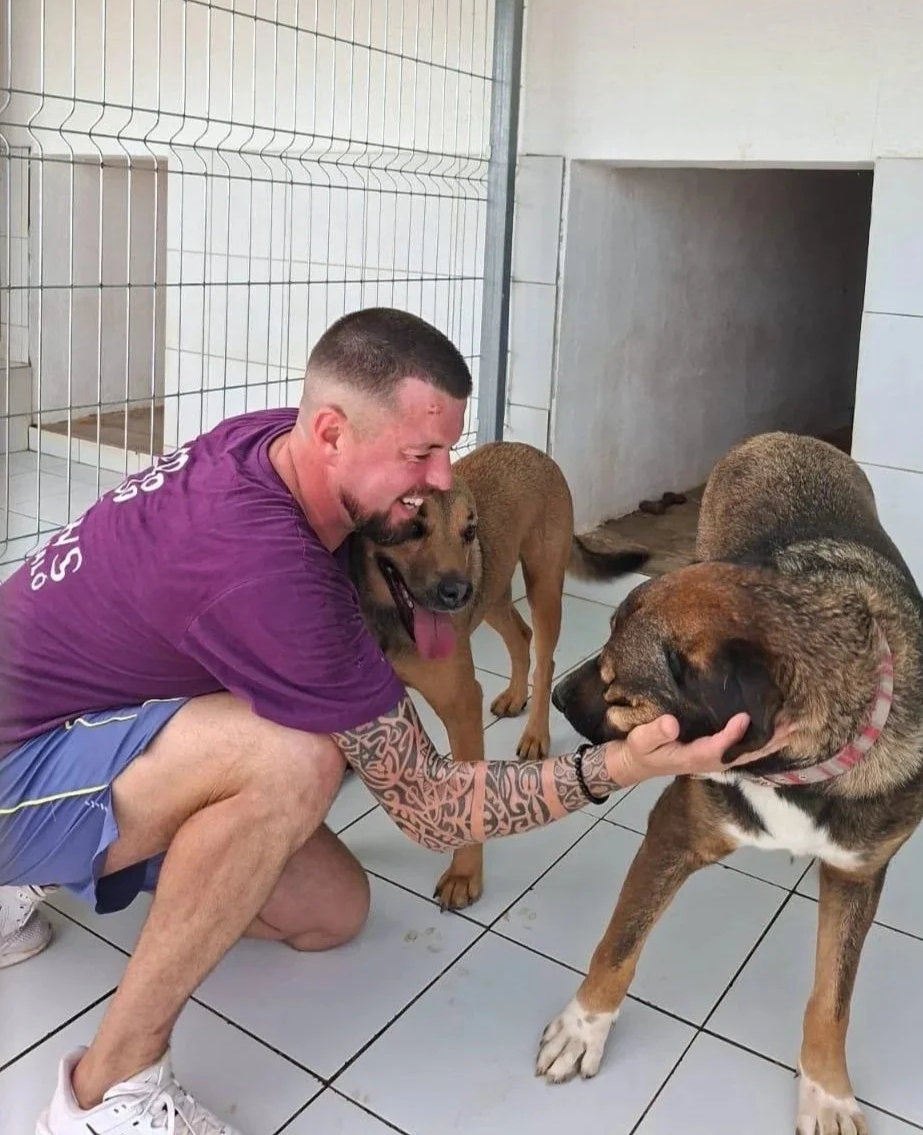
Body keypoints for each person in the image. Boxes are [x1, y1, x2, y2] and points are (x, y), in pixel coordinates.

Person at [0, 307, 759, 1135]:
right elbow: (431, 807)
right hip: (15, 762)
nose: (442, 477)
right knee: (292, 760)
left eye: (447, 449)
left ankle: (55, 861)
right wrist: (617, 767)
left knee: (333, 911)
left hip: (85, 726)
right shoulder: (270, 572)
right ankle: (107, 1091)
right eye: (419, 454)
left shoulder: (268, 444)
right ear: (331, 431)